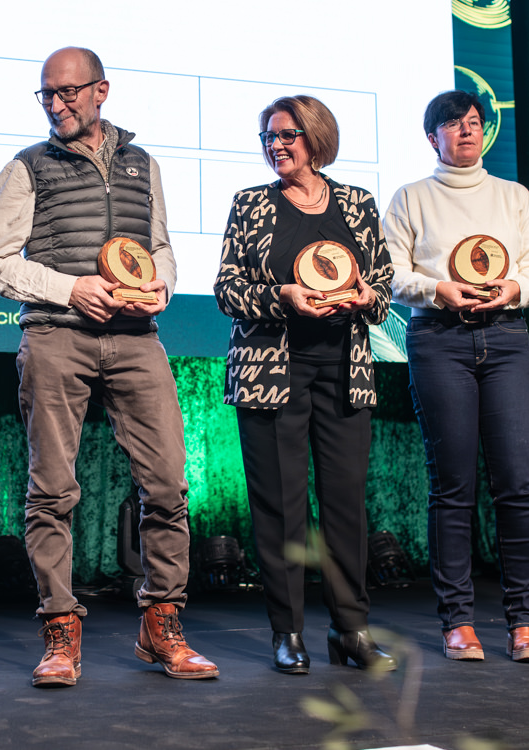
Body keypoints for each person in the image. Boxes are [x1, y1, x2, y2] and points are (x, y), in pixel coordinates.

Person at [0, 46, 219, 687]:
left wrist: (162, 285)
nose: (56, 105)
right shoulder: (25, 167)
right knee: (52, 491)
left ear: (100, 91)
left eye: (68, 92)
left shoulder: (144, 164)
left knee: (167, 486)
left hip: (138, 338)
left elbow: (160, 246)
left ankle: (161, 623)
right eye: (47, 94)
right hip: (57, 335)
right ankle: (59, 630)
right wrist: (69, 289)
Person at [214, 95, 396, 675]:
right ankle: (287, 631)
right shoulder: (250, 204)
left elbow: (384, 286)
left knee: (345, 506)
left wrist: (367, 298)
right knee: (281, 507)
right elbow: (226, 289)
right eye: (268, 137)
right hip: (271, 373)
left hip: (343, 370)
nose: (276, 145)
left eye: (286, 134)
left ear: (315, 137)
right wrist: (282, 297)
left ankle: (351, 630)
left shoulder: (358, 203)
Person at [381, 91, 529, 663]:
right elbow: (389, 273)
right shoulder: (411, 197)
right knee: (452, 485)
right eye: (453, 124)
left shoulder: (514, 196)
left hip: (506, 337)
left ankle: (524, 623)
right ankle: (458, 621)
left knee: (519, 483)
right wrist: (438, 289)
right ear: (432, 137)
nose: (466, 131)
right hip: (439, 338)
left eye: (474, 122)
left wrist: (514, 289)